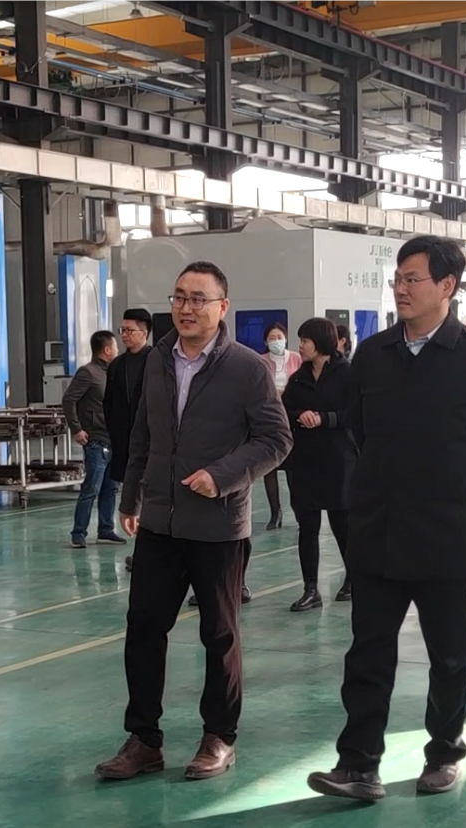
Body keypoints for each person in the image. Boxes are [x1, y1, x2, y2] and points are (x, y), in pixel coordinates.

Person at [306, 236, 466, 802]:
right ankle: (358, 765)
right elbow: (358, 428)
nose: (401, 289)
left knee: (448, 656)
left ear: (447, 286)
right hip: (378, 528)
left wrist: (455, 483)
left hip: (446, 533)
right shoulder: (374, 355)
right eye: (397, 279)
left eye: (412, 279)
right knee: (368, 653)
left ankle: (444, 754)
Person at [95, 261, 292, 782]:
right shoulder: (157, 361)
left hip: (218, 525)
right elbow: (143, 434)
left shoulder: (247, 368)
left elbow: (276, 439)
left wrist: (222, 476)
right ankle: (144, 740)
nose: (186, 307)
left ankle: (219, 736)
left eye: (198, 299)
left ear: (222, 307)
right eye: (179, 297)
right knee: (144, 629)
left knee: (219, 634)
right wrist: (131, 497)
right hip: (160, 522)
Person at [283, 317, 358, 611]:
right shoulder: (298, 378)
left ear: (321, 342)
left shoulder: (347, 374)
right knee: (308, 526)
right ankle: (310, 589)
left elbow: (355, 412)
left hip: (339, 460)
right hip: (305, 461)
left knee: (343, 524)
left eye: (305, 341)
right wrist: (299, 415)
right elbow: (284, 410)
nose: (300, 346)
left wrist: (325, 419)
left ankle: (353, 578)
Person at [63, 329, 123, 549]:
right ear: (107, 349)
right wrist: (77, 429)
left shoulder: (112, 373)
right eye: (115, 347)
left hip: (112, 439)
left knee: (110, 488)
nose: (117, 350)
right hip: (95, 440)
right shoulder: (88, 373)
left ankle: (106, 530)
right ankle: (78, 533)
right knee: (91, 488)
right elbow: (69, 400)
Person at [105, 309, 152, 569]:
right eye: (122, 330)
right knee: (131, 494)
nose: (124, 335)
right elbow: (109, 403)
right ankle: (140, 550)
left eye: (130, 330)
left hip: (152, 440)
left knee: (149, 497)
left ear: (144, 333)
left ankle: (147, 551)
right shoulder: (117, 365)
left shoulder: (157, 361)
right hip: (124, 441)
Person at [259, 322, 302, 531]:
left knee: (293, 468)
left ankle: (298, 509)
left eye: (279, 337)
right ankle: (275, 512)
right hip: (270, 416)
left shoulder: (297, 359)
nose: (276, 341)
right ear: (266, 342)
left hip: (292, 416)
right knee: (270, 465)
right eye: (272, 338)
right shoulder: (260, 361)